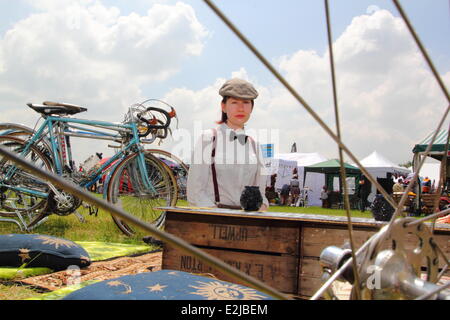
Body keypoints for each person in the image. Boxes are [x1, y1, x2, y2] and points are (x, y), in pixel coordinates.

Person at [187, 78, 269, 211]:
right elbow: (195, 191)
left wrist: (261, 206)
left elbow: (261, 193)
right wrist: (219, 215)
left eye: (246, 102)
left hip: (248, 222)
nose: (241, 108)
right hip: (213, 219)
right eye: (234, 102)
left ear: (252, 107)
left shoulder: (255, 146)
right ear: (223, 106)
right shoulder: (208, 139)